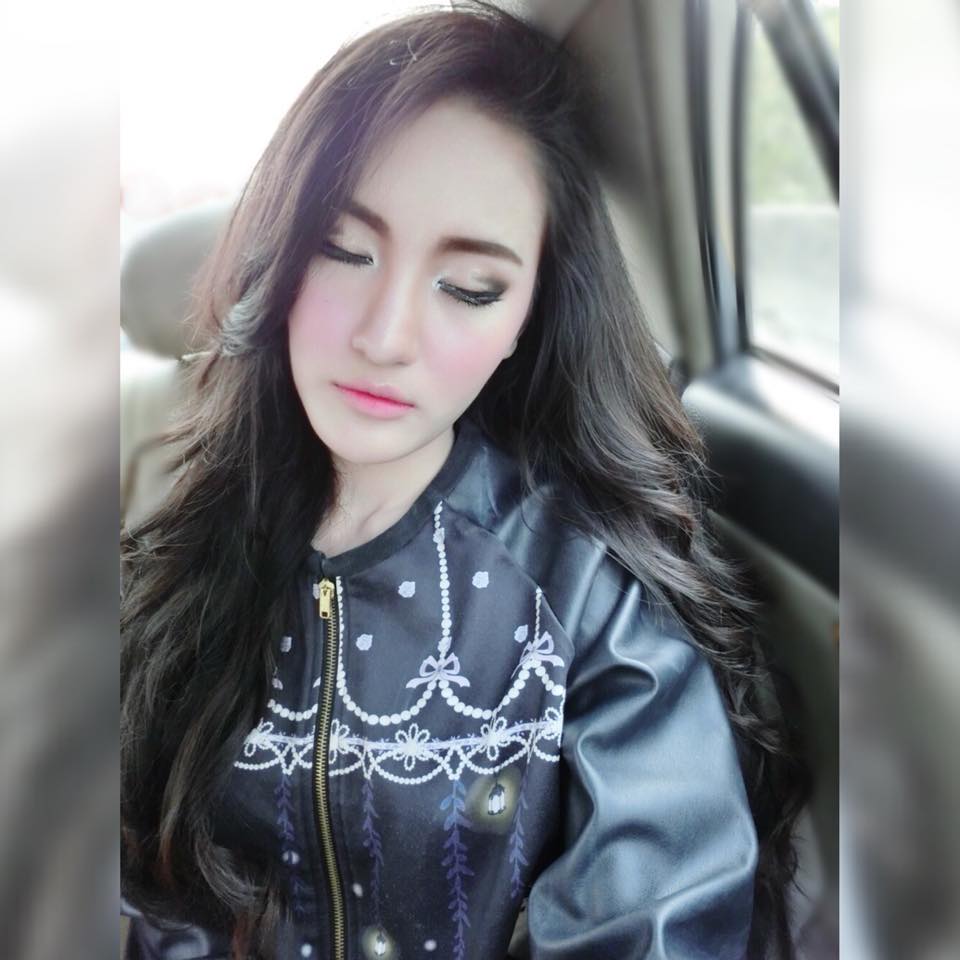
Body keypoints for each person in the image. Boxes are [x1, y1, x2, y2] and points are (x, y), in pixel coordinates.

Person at [121, 3, 807, 958]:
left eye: (470, 288)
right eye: (343, 250)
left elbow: (655, 922)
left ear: (528, 315)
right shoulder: (166, 553)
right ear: (281, 253)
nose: (386, 336)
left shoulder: (588, 593)